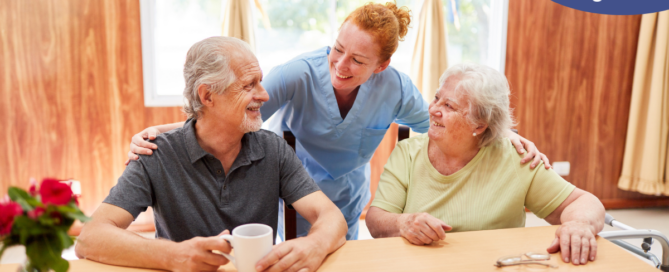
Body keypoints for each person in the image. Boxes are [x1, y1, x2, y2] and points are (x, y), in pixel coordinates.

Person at [125, 2, 551, 240]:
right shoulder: (298, 74)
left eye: (358, 59)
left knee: (339, 254)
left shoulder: (396, 88)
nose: (340, 65)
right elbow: (232, 112)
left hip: (347, 194)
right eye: (337, 49)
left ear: (381, 66)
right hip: (290, 184)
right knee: (287, 250)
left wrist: (506, 136)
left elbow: (445, 121)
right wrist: (163, 133)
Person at [75, 37, 347, 272]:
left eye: (260, 82)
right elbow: (90, 238)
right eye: (249, 85)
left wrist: (314, 244)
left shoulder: (272, 150)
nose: (264, 95)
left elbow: (331, 217)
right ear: (207, 96)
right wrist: (173, 255)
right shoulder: (156, 154)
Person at [365, 63, 605, 266]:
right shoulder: (407, 154)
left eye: (449, 106)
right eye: (437, 98)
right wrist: (403, 223)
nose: (434, 110)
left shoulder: (514, 158)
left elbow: (583, 202)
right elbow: (376, 220)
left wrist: (578, 224)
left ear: (479, 126)